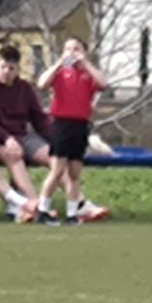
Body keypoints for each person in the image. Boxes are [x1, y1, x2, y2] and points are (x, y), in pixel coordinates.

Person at [0, 42, 49, 221]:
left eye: (11, 68)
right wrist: (6, 138)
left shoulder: (25, 88)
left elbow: (38, 118)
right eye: (3, 67)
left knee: (55, 156)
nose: (6, 72)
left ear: (18, 70)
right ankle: (34, 205)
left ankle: (77, 203)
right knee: (14, 156)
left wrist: (55, 139)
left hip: (22, 135)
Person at [41, 38, 108, 221]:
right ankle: (43, 208)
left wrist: (85, 63)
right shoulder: (61, 73)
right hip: (61, 124)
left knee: (74, 173)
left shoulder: (88, 75)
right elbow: (42, 83)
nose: (72, 52)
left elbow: (103, 83)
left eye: (76, 49)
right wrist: (59, 63)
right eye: (68, 49)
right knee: (57, 170)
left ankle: (72, 212)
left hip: (80, 125)